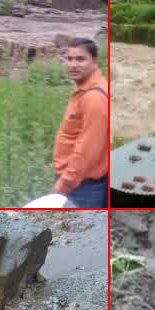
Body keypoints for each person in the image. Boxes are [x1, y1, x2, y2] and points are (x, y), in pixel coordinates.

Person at [53, 38, 109, 207]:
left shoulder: (94, 97)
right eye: (69, 59)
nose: (73, 65)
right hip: (79, 182)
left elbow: (88, 148)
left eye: (80, 59)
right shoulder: (85, 90)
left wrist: (65, 183)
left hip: (82, 187)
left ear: (94, 61)